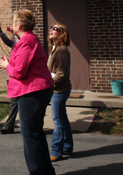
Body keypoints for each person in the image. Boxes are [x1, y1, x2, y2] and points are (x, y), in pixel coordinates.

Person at [0, 9, 55, 175]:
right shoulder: (27, 40)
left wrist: (7, 66)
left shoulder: (26, 41)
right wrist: (9, 62)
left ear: (19, 25)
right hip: (35, 90)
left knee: (30, 136)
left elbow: (20, 72)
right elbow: (21, 63)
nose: (12, 25)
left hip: (32, 92)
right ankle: (46, 171)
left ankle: (38, 172)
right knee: (36, 133)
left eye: (13, 23)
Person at [47, 23, 73, 162]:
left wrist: (50, 84)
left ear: (62, 33)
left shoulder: (62, 50)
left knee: (57, 121)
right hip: (57, 89)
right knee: (62, 119)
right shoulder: (54, 48)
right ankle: (67, 147)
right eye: (51, 27)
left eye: (55, 28)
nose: (51, 30)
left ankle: (56, 151)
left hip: (59, 90)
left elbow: (62, 73)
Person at [0, 20, 19, 135]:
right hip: (14, 77)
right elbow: (6, 41)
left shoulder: (27, 43)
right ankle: (8, 127)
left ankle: (31, 127)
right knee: (14, 103)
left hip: (21, 78)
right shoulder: (14, 43)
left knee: (21, 105)